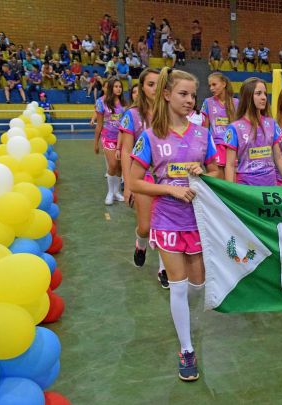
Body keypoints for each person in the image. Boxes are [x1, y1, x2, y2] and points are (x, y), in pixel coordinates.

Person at [129, 68, 219, 381]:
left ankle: (184, 322)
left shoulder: (202, 135)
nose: (190, 100)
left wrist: (203, 172)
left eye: (193, 95)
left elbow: (216, 172)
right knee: (178, 286)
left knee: (198, 286)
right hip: (166, 218)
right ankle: (187, 349)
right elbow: (134, 182)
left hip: (198, 220)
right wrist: (170, 188)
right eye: (183, 94)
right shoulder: (150, 137)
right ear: (166, 95)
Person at [117, 68, 169, 285]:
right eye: (150, 84)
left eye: (159, 84)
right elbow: (127, 151)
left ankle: (164, 269)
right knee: (146, 227)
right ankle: (141, 243)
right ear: (141, 87)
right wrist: (128, 185)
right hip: (143, 178)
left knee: (166, 225)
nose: (154, 89)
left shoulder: (169, 112)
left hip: (167, 177)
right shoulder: (132, 115)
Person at [223, 77, 282, 186]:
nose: (264, 97)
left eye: (264, 93)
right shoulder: (234, 128)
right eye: (258, 93)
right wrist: (230, 192)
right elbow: (230, 165)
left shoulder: (272, 124)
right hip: (247, 188)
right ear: (247, 96)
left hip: (270, 187)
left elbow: (278, 158)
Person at [94, 77, 127, 205]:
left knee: (120, 167)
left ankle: (116, 192)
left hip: (122, 139)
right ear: (110, 88)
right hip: (107, 138)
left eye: (120, 87)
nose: (118, 89)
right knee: (112, 165)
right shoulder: (101, 102)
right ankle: (109, 192)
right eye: (116, 86)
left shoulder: (124, 104)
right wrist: (95, 143)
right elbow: (99, 124)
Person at [201, 72, 239, 178]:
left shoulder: (236, 103)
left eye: (214, 84)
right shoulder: (207, 102)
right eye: (210, 86)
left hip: (231, 146)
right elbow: (205, 127)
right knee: (220, 181)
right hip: (216, 145)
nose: (211, 88)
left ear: (223, 84)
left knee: (231, 182)